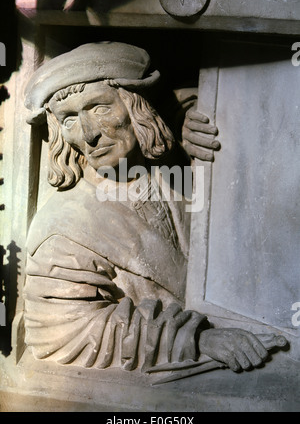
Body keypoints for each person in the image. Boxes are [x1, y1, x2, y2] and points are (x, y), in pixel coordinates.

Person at [23, 41, 285, 375]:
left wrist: (192, 117)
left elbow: (216, 108)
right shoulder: (63, 228)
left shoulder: (167, 166)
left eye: (100, 108)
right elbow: (62, 331)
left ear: (135, 106)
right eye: (70, 120)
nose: (89, 135)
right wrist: (196, 341)